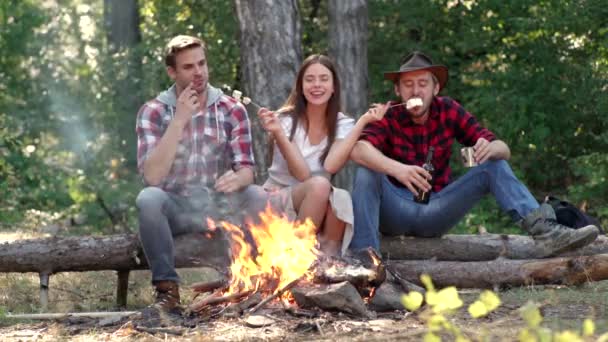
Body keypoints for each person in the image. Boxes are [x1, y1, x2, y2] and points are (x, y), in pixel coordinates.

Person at [349, 51, 599, 256]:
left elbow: (504, 149)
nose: (416, 91)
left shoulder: (448, 109)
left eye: (423, 83)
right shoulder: (388, 114)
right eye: (408, 84)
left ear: (435, 89)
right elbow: (359, 150)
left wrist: (491, 148)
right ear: (398, 91)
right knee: (366, 172)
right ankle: (366, 261)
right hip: (395, 210)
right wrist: (398, 170)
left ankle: (546, 233)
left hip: (436, 209)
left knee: (494, 165)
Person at [135, 35, 258, 311]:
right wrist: (179, 119)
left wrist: (239, 178)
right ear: (172, 72)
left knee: (257, 194)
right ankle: (167, 293)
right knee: (148, 199)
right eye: (188, 67)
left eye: (202, 63)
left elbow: (247, 170)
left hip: (220, 205)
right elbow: (152, 178)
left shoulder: (231, 109)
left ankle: (255, 282)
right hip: (177, 208)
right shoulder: (152, 112)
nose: (198, 72)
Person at [258, 54, 388, 256]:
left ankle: (327, 260)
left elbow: (330, 166)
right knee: (320, 186)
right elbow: (302, 174)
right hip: (279, 197)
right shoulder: (283, 119)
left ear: (334, 86)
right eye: (309, 79)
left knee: (340, 197)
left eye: (324, 79)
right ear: (300, 86)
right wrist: (278, 133)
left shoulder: (343, 124)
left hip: (319, 198)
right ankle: (296, 257)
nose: (316, 85)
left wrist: (362, 122)